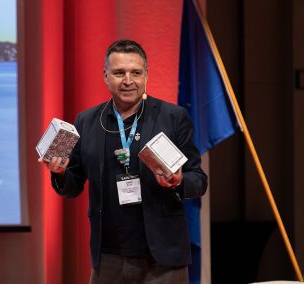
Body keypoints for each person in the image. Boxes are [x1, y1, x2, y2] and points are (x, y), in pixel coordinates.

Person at [41, 39, 208, 284]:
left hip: (162, 260)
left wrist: (179, 181)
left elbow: (199, 180)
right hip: (108, 258)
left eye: (136, 73)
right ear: (106, 76)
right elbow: (73, 185)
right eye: (119, 73)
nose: (128, 80)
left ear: (146, 76)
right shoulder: (86, 121)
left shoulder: (173, 117)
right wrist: (60, 173)